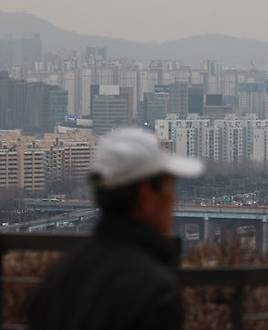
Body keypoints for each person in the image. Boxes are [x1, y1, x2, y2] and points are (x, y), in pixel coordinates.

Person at [29, 128, 204, 330]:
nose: (173, 199)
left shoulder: (59, 276)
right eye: (169, 188)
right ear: (145, 196)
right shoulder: (154, 290)